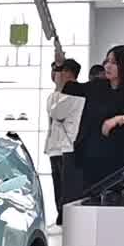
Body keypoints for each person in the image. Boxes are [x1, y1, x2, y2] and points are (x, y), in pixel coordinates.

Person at [74, 45, 124, 199]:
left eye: (114, 63)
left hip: (116, 162)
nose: (107, 66)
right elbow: (70, 88)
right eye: (107, 61)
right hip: (90, 158)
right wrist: (60, 66)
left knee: (111, 200)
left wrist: (119, 119)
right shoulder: (97, 87)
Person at [43, 57, 84, 226]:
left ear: (68, 73)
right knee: (57, 184)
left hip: (66, 146)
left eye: (59, 71)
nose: (54, 74)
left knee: (65, 186)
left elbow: (56, 113)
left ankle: (65, 216)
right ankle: (60, 214)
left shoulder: (73, 93)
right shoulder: (55, 94)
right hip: (55, 146)